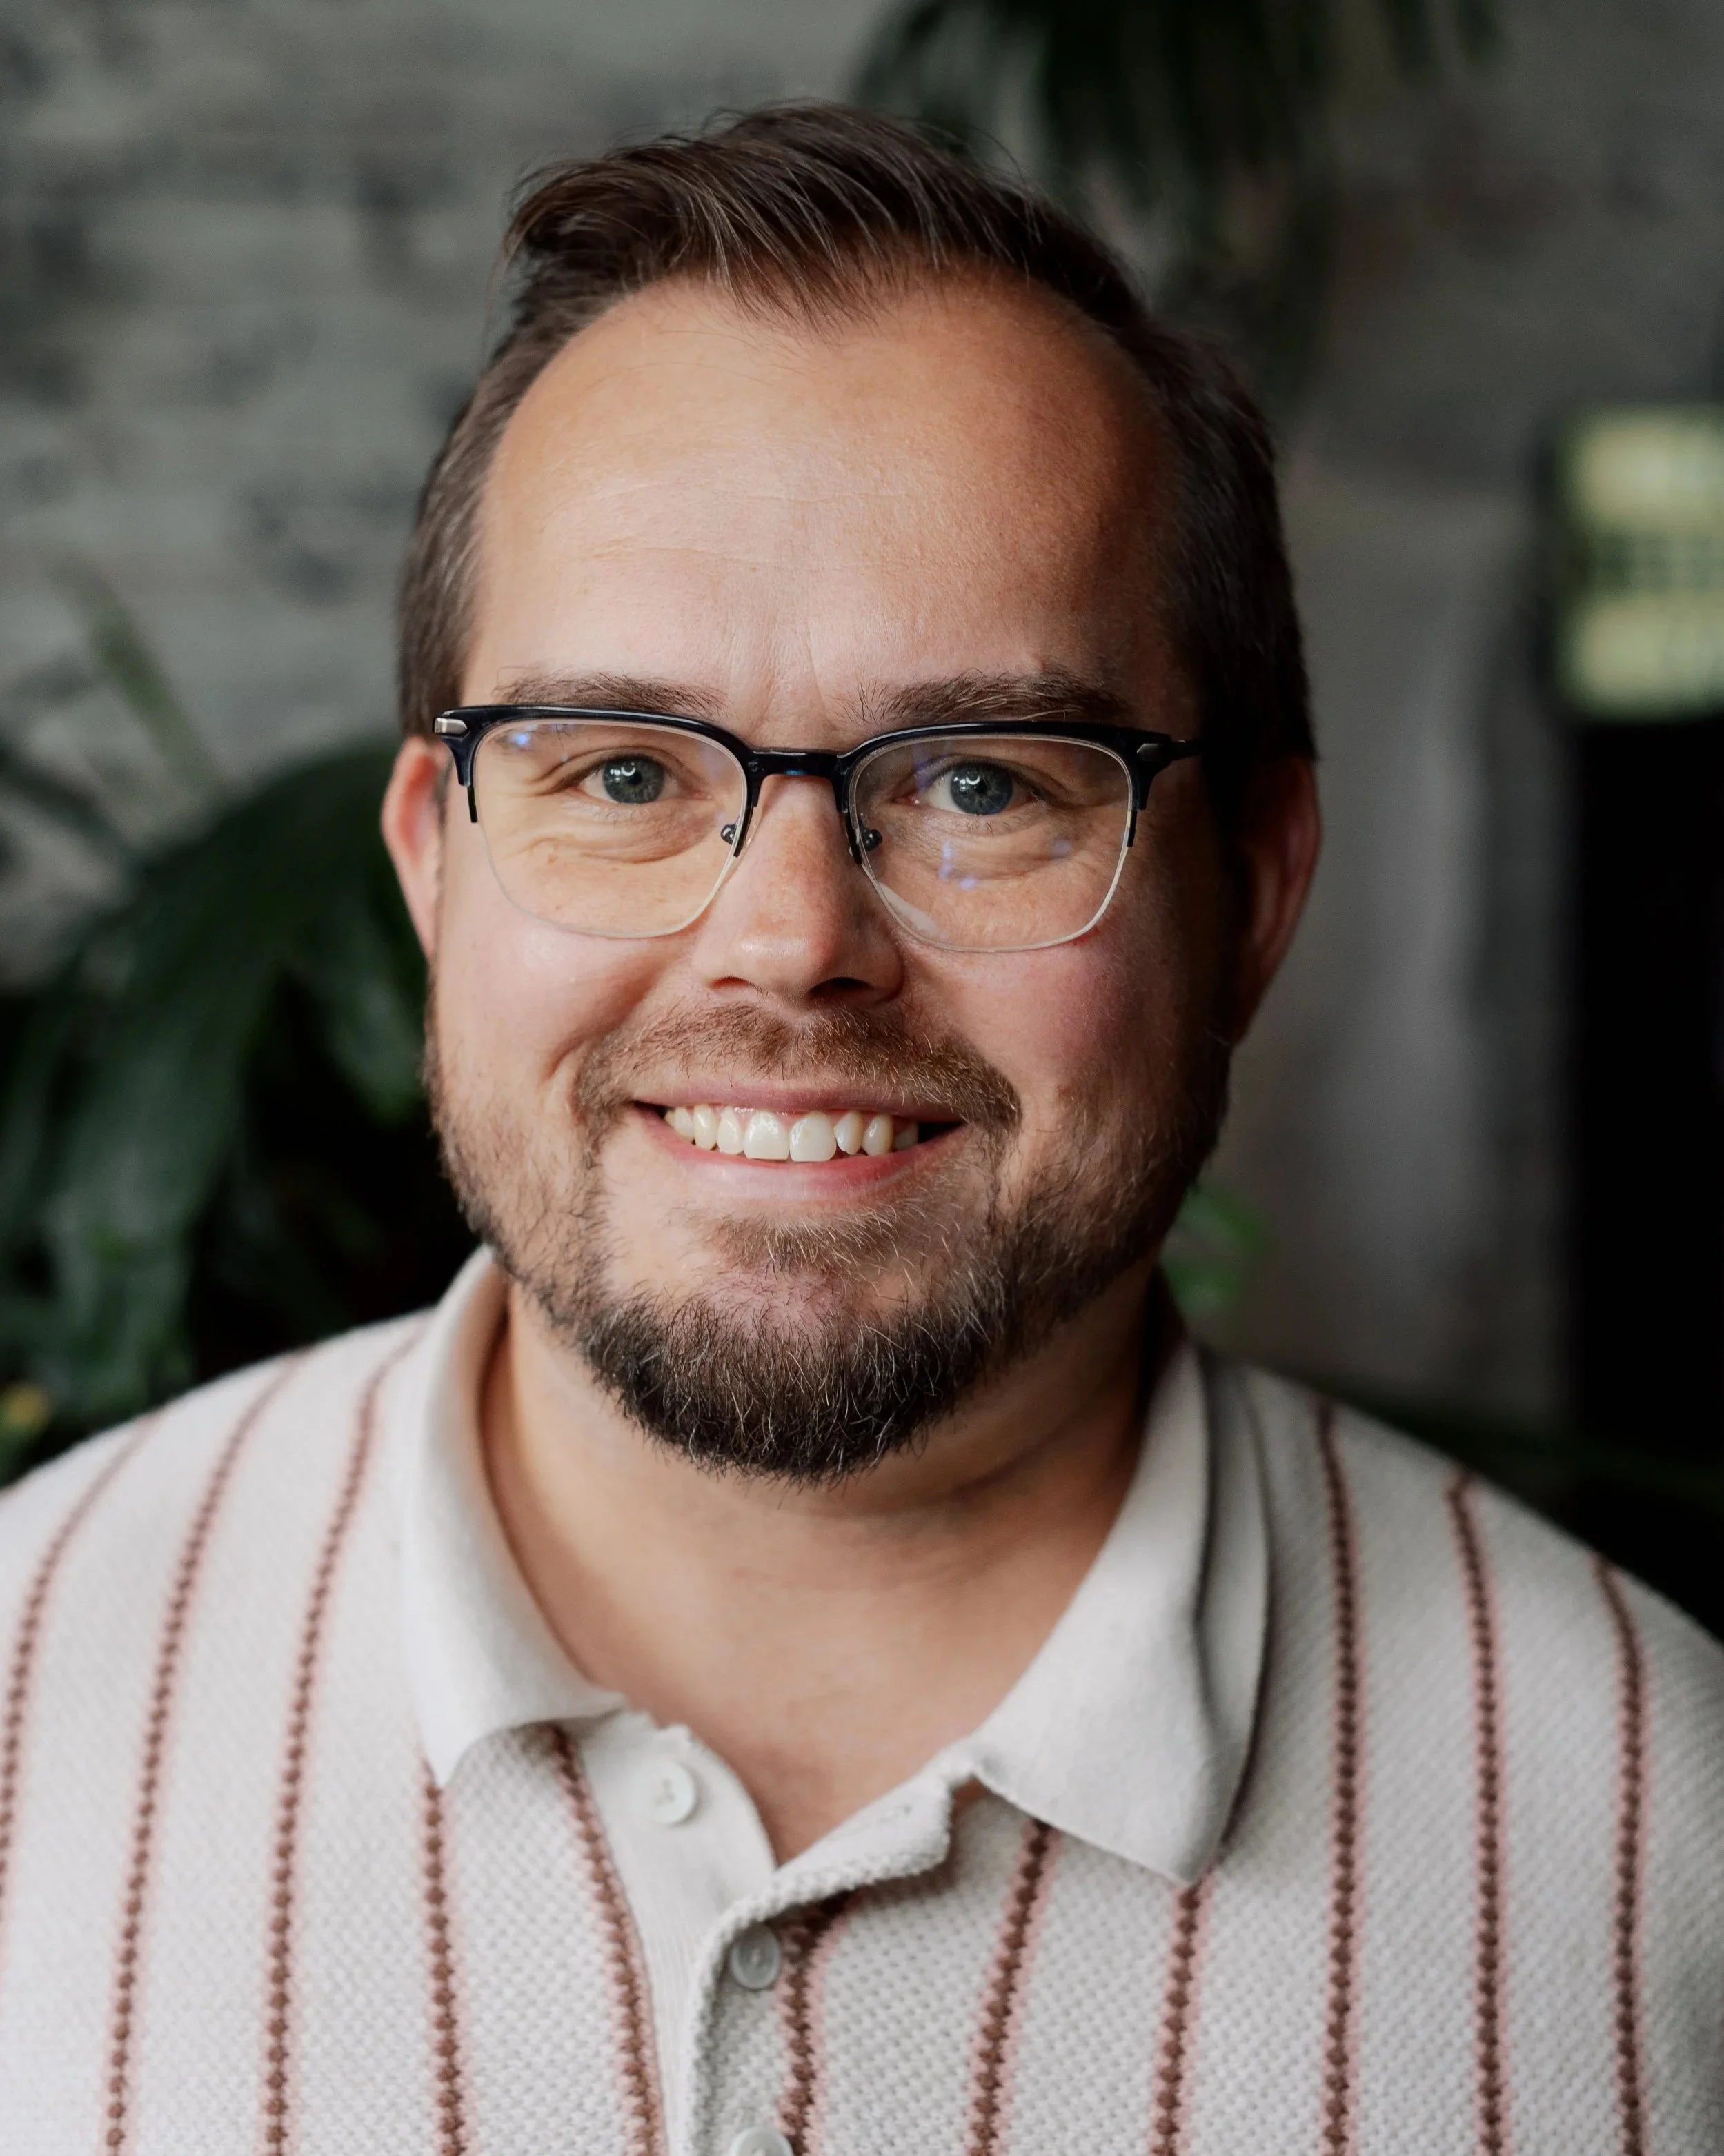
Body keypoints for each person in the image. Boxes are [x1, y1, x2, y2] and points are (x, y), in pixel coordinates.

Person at [0, 104, 1716, 2156]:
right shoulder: (23, 1705)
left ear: (1251, 895)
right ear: (435, 869)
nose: (793, 943)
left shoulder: (1663, 1850)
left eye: (987, 782)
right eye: (622, 772)